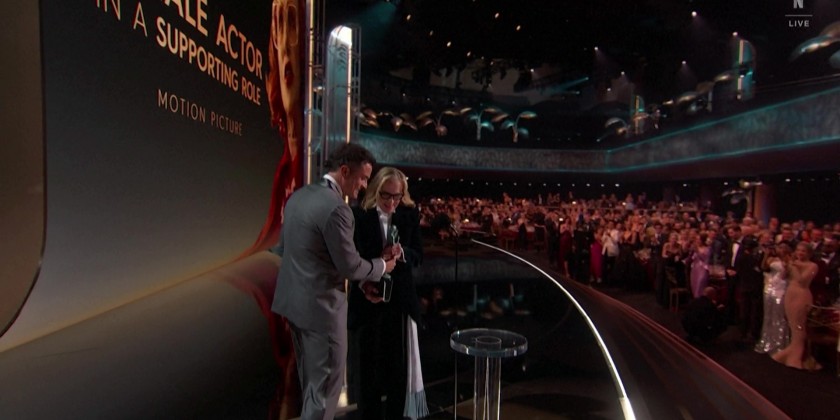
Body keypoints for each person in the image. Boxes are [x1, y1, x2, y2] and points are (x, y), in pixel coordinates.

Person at [272, 143, 397, 420]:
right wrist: (382, 266)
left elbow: (289, 251)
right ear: (344, 171)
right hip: (322, 313)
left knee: (312, 390)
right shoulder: (338, 209)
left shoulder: (299, 197)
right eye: (363, 178)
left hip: (294, 308)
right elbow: (350, 265)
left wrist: (359, 281)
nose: (364, 185)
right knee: (324, 394)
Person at [348, 167, 428, 420]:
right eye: (386, 195)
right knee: (367, 373)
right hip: (367, 303)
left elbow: (418, 256)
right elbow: (351, 260)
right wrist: (365, 284)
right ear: (376, 190)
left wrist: (402, 252)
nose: (392, 202)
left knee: (397, 372)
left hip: (399, 304)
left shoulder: (409, 214)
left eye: (397, 196)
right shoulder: (359, 215)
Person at [771, 242, 820, 370]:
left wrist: (794, 267)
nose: (800, 253)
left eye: (803, 251)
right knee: (793, 327)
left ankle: (794, 357)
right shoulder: (794, 263)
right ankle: (789, 355)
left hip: (802, 296)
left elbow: (802, 281)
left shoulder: (813, 266)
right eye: (798, 250)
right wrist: (786, 267)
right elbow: (783, 277)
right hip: (790, 295)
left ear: (809, 253)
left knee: (799, 327)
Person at [754, 242, 791, 354]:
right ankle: (767, 341)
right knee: (768, 315)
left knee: (779, 315)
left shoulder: (789, 260)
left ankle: (779, 343)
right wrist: (766, 254)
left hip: (781, 288)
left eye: (782, 248)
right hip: (769, 288)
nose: (779, 249)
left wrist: (785, 264)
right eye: (778, 247)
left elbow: (786, 275)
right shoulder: (772, 259)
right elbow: (763, 267)